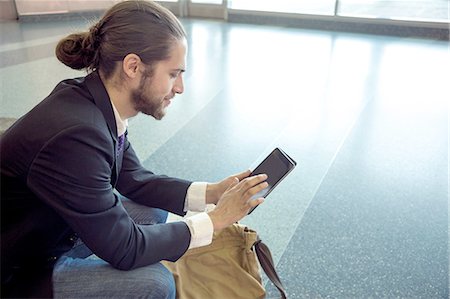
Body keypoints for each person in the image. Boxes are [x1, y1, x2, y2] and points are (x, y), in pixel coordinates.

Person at [0, 1, 268, 298]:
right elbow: (125, 249)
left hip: (53, 229)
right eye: (173, 74)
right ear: (133, 67)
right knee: (154, 284)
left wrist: (213, 193)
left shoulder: (93, 100)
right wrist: (216, 220)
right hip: (20, 266)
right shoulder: (77, 135)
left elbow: (134, 179)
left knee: (150, 212)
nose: (180, 88)